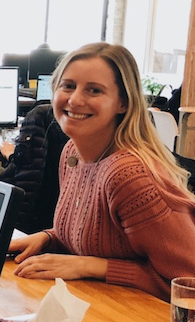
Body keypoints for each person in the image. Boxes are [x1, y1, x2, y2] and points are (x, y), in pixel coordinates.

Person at [10, 42, 195, 301]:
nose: (74, 100)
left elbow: (189, 285)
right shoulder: (72, 152)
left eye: (94, 90)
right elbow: (100, 237)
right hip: (102, 308)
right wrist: (47, 238)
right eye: (68, 86)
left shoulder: (129, 176)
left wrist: (94, 266)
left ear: (123, 103)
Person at [0, 104, 69, 234]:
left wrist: (15, 156)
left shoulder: (41, 115)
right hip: (55, 229)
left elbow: (26, 179)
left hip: (34, 224)